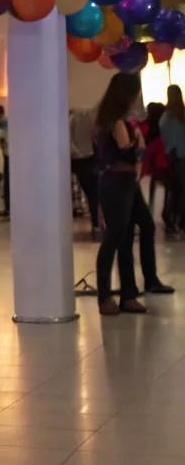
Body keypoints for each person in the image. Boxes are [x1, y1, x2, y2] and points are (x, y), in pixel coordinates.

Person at [94, 72, 174, 316]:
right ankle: (107, 296)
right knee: (116, 237)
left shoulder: (112, 119)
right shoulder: (115, 122)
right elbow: (126, 153)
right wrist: (139, 145)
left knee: (140, 228)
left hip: (124, 182)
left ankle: (134, 290)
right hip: (117, 183)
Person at [69, 107, 99, 237]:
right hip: (92, 158)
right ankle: (97, 223)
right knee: (95, 193)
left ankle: (96, 223)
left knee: (91, 192)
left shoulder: (72, 119)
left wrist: (77, 153)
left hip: (80, 161)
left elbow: (69, 141)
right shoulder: (91, 117)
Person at [160, 86, 185, 235]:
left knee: (174, 189)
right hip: (182, 157)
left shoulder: (165, 117)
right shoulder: (182, 115)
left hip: (170, 158)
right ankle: (181, 220)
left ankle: (171, 218)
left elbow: (164, 138)